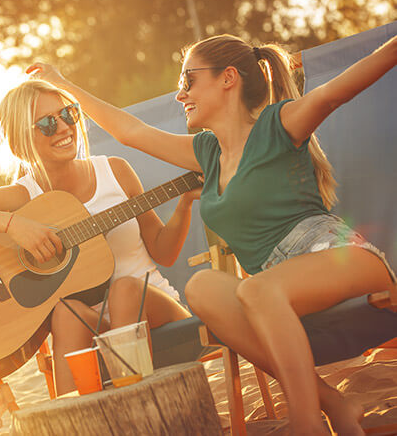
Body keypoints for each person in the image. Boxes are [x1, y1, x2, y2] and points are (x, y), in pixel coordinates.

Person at [27, 33, 396, 434]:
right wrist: (63, 83)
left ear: (228, 78)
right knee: (202, 287)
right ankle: (333, 404)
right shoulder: (207, 152)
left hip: (338, 257)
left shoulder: (279, 124)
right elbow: (130, 132)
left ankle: (306, 422)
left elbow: (338, 91)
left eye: (188, 81)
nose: (179, 95)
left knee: (255, 290)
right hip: (276, 289)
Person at [0, 79, 198, 395]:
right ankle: (72, 419)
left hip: (159, 317)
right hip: (98, 333)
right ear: (21, 141)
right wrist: (13, 226)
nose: (64, 127)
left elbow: (164, 253)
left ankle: (135, 402)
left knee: (124, 290)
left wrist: (185, 203)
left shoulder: (115, 172)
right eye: (48, 124)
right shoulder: (26, 196)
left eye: (69, 114)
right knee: (65, 312)